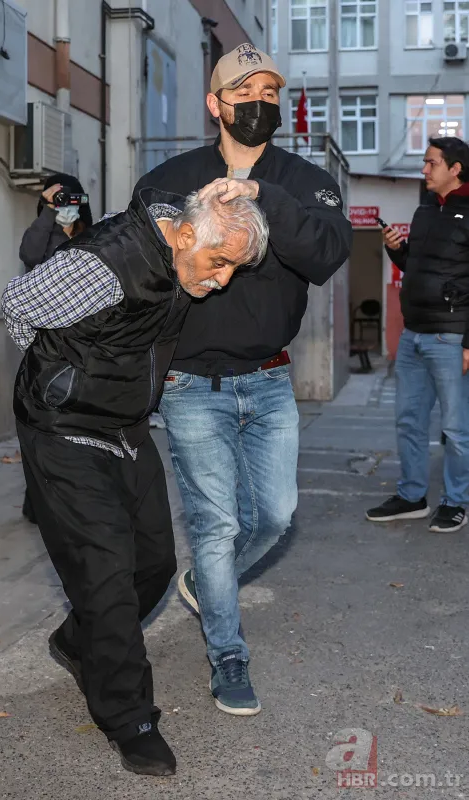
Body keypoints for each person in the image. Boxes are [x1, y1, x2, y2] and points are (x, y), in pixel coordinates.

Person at [1, 185, 269, 776]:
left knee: (153, 562)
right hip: (62, 423)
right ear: (184, 237)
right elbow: (19, 302)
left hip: (124, 421)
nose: (222, 280)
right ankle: (130, 717)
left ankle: (80, 639)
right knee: (105, 569)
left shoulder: (185, 240)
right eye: (219, 262)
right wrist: (62, 369)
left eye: (233, 267)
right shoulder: (103, 267)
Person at [134, 43, 352, 716]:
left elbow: (326, 254)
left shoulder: (306, 181)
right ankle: (228, 655)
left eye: (268, 91)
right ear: (214, 104)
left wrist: (261, 195)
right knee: (218, 523)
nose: (258, 102)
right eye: (244, 91)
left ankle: (206, 580)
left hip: (270, 381)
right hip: (190, 385)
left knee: (278, 516)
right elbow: (139, 275)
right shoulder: (168, 181)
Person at [367, 136, 469, 533]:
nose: (424, 169)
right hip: (413, 335)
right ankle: (412, 496)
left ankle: (455, 501)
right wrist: (396, 250)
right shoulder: (425, 211)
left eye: (431, 163)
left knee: (456, 429)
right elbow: (414, 265)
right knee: (409, 421)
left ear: (454, 168)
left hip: (450, 336)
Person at [19, 174, 93, 523]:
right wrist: (49, 210)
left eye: (70, 201)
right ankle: (38, 500)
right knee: (45, 425)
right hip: (47, 346)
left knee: (79, 427)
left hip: (85, 347)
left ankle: (75, 496)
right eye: (59, 202)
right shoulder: (42, 234)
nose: (67, 209)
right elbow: (30, 255)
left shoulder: (91, 236)